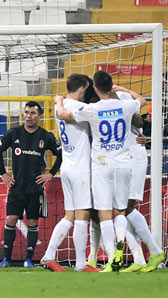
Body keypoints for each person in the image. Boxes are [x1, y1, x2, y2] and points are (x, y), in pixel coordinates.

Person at [55, 70, 147, 272]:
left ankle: (111, 257)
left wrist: (58, 101)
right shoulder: (125, 105)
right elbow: (141, 100)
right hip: (123, 163)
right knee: (121, 211)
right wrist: (123, 89)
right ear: (111, 85)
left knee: (103, 214)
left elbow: (63, 114)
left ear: (95, 88)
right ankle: (121, 245)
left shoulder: (91, 109)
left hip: (100, 165)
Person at [40, 74, 100, 272]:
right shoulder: (81, 108)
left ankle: (49, 255)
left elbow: (62, 112)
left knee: (69, 216)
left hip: (66, 167)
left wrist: (58, 101)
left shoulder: (61, 104)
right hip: (81, 168)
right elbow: (68, 115)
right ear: (82, 87)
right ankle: (81, 264)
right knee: (82, 215)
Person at [0, 101, 62, 268]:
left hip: (35, 188)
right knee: (10, 219)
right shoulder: (14, 133)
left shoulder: (46, 136)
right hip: (17, 186)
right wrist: (3, 173)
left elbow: (60, 155)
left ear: (40, 116)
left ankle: (28, 260)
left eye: (32, 113)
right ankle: (7, 260)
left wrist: (50, 174)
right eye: (26, 113)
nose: (28, 116)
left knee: (32, 222)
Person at [115, 92, 165, 272]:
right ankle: (140, 258)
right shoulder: (100, 104)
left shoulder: (120, 97)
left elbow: (139, 122)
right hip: (120, 160)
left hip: (134, 158)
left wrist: (119, 95)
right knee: (119, 211)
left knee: (124, 209)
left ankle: (154, 251)